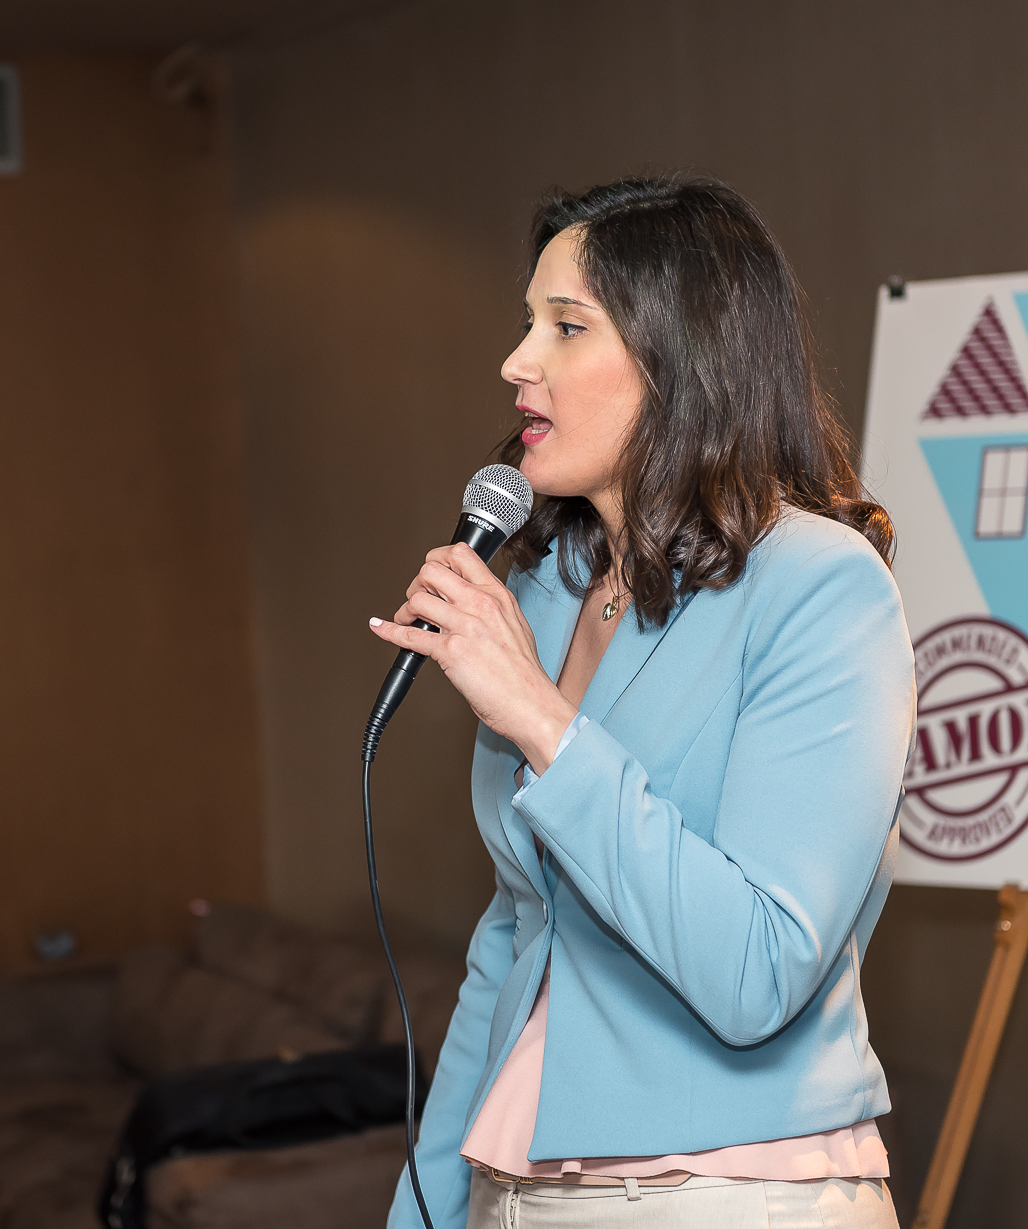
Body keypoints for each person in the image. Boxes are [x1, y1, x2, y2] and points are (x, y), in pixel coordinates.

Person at [369, 176, 914, 1229]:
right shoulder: (546, 588)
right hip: (508, 1191)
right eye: (527, 321)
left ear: (682, 359)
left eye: (565, 326)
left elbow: (757, 972)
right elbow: (514, 938)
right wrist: (423, 1210)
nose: (516, 361)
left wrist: (541, 719)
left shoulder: (819, 585)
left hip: (725, 1195)